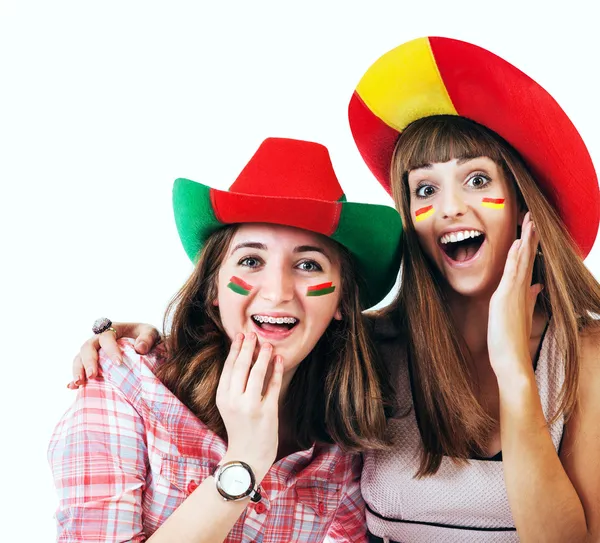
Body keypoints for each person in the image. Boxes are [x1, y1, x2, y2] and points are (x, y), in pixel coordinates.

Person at [69, 38, 600, 542]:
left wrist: (513, 371)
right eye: (425, 188)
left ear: (525, 202)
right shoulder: (371, 354)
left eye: (478, 180)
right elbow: (273, 333)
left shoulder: (585, 356)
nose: (450, 207)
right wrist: (140, 343)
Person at [48, 137, 404, 542]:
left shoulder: (341, 447)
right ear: (213, 288)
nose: (277, 291)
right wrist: (245, 460)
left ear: (342, 298)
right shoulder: (127, 387)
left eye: (308, 264)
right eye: (251, 260)